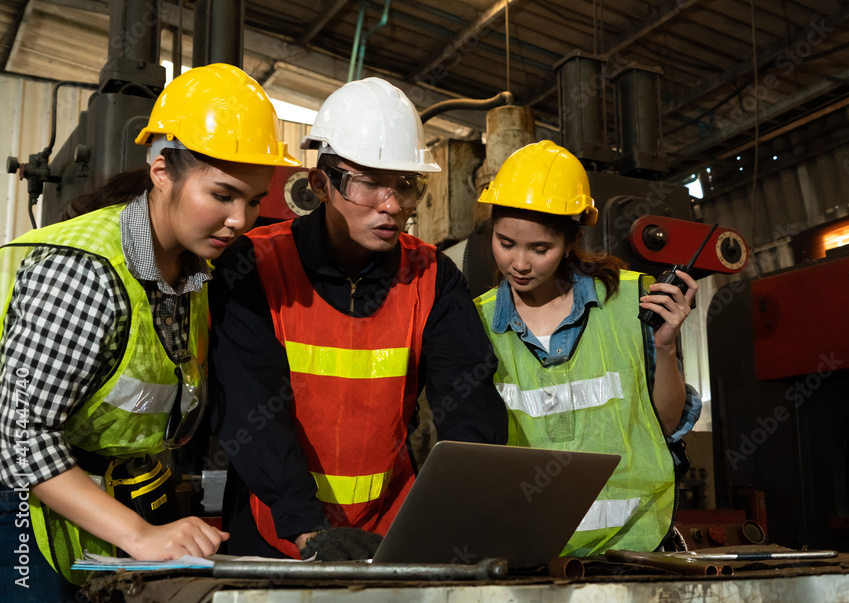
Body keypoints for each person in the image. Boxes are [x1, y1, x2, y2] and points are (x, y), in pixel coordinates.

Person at [0, 63, 296, 595]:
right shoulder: (83, 270)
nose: (241, 220)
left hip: (110, 492)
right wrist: (140, 535)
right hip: (19, 503)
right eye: (223, 195)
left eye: (253, 201)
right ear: (161, 170)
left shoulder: (195, 271)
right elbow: (21, 436)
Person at [209, 77, 508, 561]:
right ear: (320, 184)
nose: (392, 206)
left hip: (391, 528)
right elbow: (249, 408)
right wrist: (307, 530)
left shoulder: (433, 276)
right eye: (370, 183)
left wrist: (459, 518)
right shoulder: (254, 267)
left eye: (406, 186)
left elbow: (469, 405)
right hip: (274, 530)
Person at [473, 140, 703, 556]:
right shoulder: (477, 323)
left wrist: (665, 349)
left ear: (573, 238)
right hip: (527, 551)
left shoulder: (629, 302)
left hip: (633, 546)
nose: (519, 264)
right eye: (506, 243)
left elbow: (665, 426)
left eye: (540, 249)